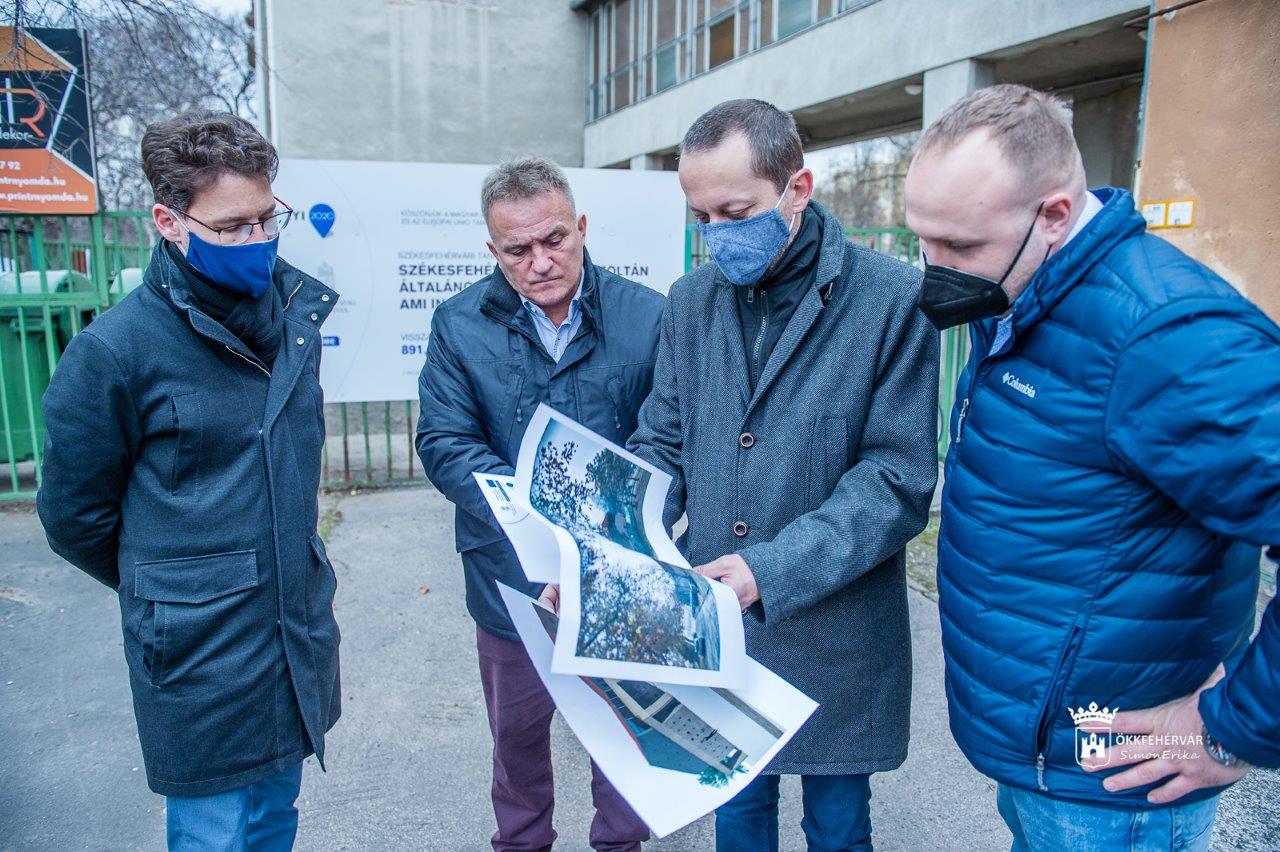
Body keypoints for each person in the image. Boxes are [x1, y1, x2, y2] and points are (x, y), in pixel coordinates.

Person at [906, 83, 1280, 851]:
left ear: (1054, 215)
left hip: (1115, 790)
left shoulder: (1168, 337)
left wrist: (1234, 727)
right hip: (1047, 761)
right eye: (924, 242)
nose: (936, 270)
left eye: (961, 248)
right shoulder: (1027, 288)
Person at [627, 99, 939, 852]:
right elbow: (661, 442)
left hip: (836, 625)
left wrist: (769, 570)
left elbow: (895, 479)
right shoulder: (690, 302)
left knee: (838, 827)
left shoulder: (892, 298)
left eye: (735, 213)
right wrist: (606, 544)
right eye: (701, 217)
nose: (717, 235)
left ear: (797, 189)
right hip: (721, 624)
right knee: (737, 817)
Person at [37, 110, 341, 850]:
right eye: (232, 227)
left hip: (290, 629)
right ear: (169, 223)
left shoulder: (293, 321)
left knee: (273, 818)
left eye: (268, 219)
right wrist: (176, 587)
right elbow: (75, 518)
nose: (259, 240)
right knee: (214, 833)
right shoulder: (114, 351)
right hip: (198, 648)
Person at [415, 157, 664, 851]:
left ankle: (621, 845)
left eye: (554, 239)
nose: (541, 262)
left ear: (581, 226)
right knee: (517, 741)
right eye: (517, 250)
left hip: (619, 572)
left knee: (623, 733)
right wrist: (543, 517)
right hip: (511, 578)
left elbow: (668, 437)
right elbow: (445, 443)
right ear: (491, 249)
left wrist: (609, 530)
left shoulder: (649, 317)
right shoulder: (458, 324)